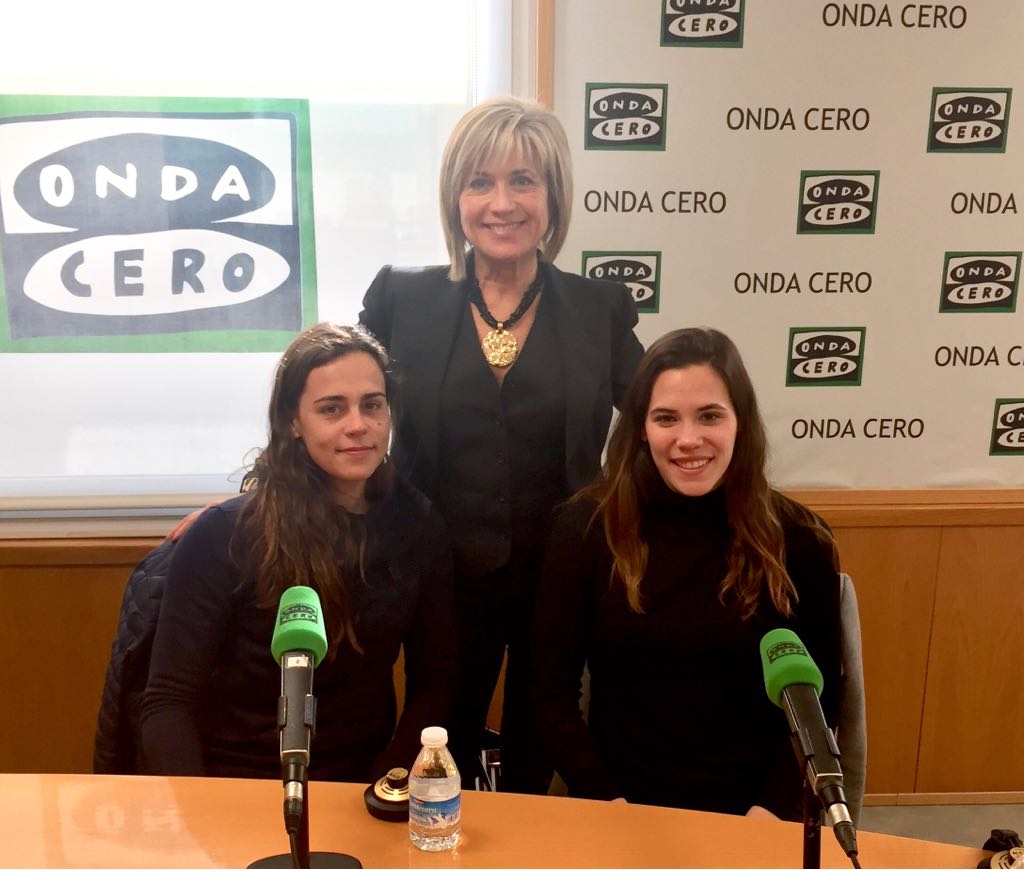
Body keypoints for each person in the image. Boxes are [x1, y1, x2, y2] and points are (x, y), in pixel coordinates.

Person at [359, 95, 644, 793]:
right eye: (480, 182)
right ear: (454, 197)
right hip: (438, 573)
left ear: (553, 194)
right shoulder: (401, 300)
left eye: (523, 181)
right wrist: (252, 501)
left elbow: (658, 423)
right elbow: (336, 410)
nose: (502, 203)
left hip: (562, 572)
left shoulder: (599, 308)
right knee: (438, 743)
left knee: (541, 743)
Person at [530, 327, 842, 818]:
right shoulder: (586, 530)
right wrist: (609, 804)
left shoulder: (800, 540)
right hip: (618, 808)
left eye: (710, 416)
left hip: (757, 815)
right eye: (666, 418)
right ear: (641, 428)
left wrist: (768, 812)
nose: (688, 439)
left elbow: (820, 702)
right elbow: (549, 694)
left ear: (741, 422)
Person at [140, 323, 456, 783]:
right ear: (293, 421)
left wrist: (387, 786)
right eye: (332, 409)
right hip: (232, 783)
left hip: (359, 786)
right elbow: (168, 701)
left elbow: (436, 684)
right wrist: (198, 811)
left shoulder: (418, 525)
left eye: (372, 405)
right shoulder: (224, 534)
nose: (358, 425)